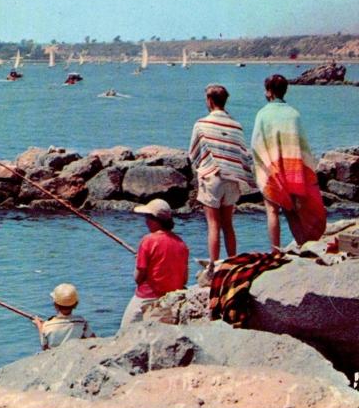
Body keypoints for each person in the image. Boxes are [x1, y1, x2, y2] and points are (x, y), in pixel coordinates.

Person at [250, 74, 326, 250]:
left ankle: (275, 250)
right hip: (293, 170)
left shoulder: (262, 114)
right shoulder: (294, 114)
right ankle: (303, 245)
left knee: (272, 211)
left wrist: (263, 167)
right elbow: (302, 146)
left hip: (272, 170)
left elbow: (257, 144)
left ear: (269, 92)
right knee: (294, 210)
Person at [188, 84, 255, 276]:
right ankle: (233, 263)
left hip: (213, 177)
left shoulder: (201, 124)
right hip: (232, 178)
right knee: (228, 224)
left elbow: (193, 153)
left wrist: (203, 168)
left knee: (213, 224)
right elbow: (242, 153)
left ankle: (214, 266)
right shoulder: (236, 125)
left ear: (209, 101)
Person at [120, 199, 189, 328]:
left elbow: (138, 277)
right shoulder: (181, 243)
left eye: (147, 217)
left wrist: (139, 261)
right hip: (172, 297)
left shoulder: (147, 241)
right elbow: (184, 279)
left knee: (125, 329)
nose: (145, 221)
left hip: (147, 296)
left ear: (154, 220)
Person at [32, 283, 95, 350]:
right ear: (76, 304)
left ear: (55, 305)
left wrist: (40, 327)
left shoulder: (46, 326)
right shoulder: (82, 323)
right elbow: (93, 340)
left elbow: (44, 348)